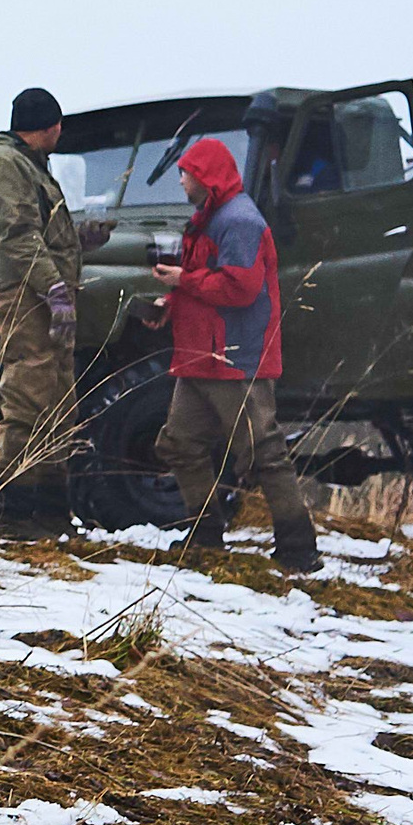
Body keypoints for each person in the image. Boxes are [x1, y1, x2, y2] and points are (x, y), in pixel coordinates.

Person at [147, 138, 320, 573]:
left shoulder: (238, 220)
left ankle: (298, 547)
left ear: (205, 176)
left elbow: (240, 288)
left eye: (185, 172)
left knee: (264, 451)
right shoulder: (210, 219)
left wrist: (182, 281)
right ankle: (205, 534)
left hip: (234, 358)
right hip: (200, 357)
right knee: (179, 443)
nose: (181, 180)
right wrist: (172, 302)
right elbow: (210, 281)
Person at [0, 87, 92, 540]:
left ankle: (50, 514)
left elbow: (35, 230)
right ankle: (16, 518)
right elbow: (18, 236)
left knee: (57, 399)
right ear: (52, 126)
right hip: (24, 293)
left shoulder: (25, 163)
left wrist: (80, 241)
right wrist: (55, 289)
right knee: (28, 398)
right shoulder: (3, 162)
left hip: (39, 291)